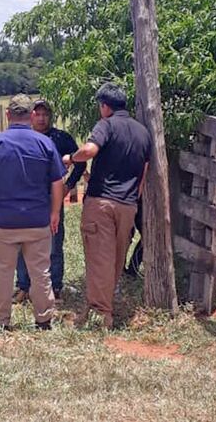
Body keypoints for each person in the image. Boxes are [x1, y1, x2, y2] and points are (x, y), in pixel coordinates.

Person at [0, 94, 66, 330]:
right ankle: (44, 320)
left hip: (4, 221)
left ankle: (0, 321)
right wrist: (55, 212)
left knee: (3, 271)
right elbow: (58, 182)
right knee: (41, 272)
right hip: (37, 220)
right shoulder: (45, 143)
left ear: (8, 115)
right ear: (32, 115)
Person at [63, 83, 151, 329]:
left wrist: (71, 158)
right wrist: (133, 198)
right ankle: (102, 307)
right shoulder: (143, 132)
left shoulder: (106, 125)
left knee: (98, 257)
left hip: (102, 202)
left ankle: (101, 315)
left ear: (104, 106)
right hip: (128, 205)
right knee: (115, 259)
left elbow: (90, 150)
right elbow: (144, 174)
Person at [13, 99, 85, 305]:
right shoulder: (23, 137)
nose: (42, 118)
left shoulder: (61, 138)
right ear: (31, 115)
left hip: (52, 200)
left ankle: (55, 287)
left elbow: (80, 162)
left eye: (46, 114)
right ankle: (23, 287)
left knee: (54, 244)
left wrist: (68, 186)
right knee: (22, 243)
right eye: (38, 113)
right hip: (26, 200)